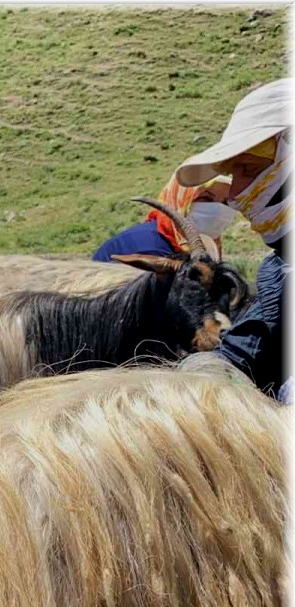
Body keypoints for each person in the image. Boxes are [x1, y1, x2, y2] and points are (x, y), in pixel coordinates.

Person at [175, 78, 290, 398]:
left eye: (248, 169)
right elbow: (242, 356)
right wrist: (201, 378)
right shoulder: (279, 273)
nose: (236, 193)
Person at [92, 172, 234, 262]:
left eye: (226, 202)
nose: (218, 209)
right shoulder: (149, 248)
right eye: (205, 198)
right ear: (180, 199)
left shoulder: (204, 248)